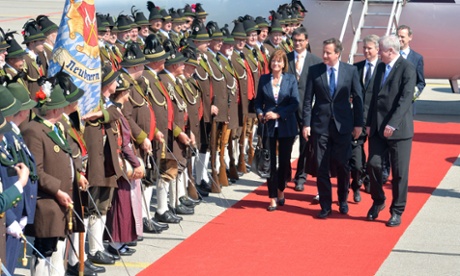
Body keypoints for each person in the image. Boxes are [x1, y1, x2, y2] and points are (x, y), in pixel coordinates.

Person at [302, 38, 363, 218]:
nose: (325, 55)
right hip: (320, 126)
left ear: (338, 53)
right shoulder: (315, 71)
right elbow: (307, 100)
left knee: (343, 165)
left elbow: (358, 98)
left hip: (343, 126)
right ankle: (325, 205)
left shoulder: (350, 71)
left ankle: (342, 200)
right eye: (324, 52)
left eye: (329, 52)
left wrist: (358, 124)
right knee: (321, 166)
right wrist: (306, 124)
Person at [365, 35, 416, 227]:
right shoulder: (379, 67)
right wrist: (368, 122)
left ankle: (397, 210)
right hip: (378, 127)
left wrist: (393, 124)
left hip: (399, 130)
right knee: (373, 164)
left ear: (390, 51)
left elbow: (405, 99)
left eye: (380, 50)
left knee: (399, 173)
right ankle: (379, 200)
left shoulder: (407, 68)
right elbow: (371, 96)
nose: (377, 53)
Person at [255, 49, 299, 211]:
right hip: (268, 128)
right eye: (273, 61)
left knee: (285, 162)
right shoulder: (264, 79)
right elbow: (258, 101)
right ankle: (272, 197)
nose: (276, 64)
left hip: (287, 125)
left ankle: (281, 189)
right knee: (270, 163)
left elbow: (295, 104)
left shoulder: (290, 79)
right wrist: (260, 113)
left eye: (279, 61)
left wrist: (278, 114)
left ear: (284, 64)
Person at [287, 26, 321, 192]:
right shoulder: (286, 59)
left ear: (307, 41)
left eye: (301, 41)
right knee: (285, 143)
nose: (298, 43)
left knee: (304, 144)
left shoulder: (315, 61)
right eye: (295, 40)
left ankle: (301, 176)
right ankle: (285, 173)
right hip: (288, 109)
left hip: (307, 109)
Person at [351, 34, 381, 200]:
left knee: (374, 156)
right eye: (364, 48)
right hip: (358, 119)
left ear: (378, 49)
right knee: (356, 158)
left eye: (370, 48)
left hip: (376, 120)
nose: (366, 51)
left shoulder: (384, 68)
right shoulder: (356, 68)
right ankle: (356, 184)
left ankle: (369, 179)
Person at [397, 25, 425, 100]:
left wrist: (415, 94)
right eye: (398, 36)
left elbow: (421, 82)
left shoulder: (417, 58)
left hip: (408, 103)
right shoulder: (390, 55)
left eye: (402, 37)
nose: (399, 39)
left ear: (410, 37)